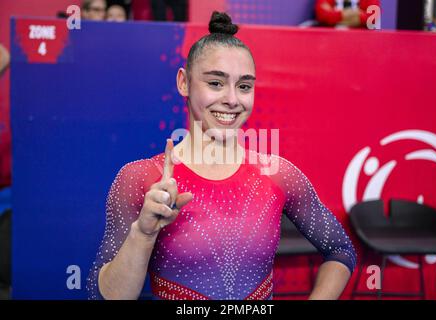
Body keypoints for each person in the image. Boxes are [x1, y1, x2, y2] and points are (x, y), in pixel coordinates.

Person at [87, 11, 357, 300]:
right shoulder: (140, 178)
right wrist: (142, 233)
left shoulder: (278, 174)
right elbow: (100, 295)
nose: (231, 99)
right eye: (215, 83)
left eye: (244, 86)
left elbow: (341, 250)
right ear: (184, 83)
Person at [316, 0, 380, 28]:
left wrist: (335, 15)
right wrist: (357, 13)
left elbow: (372, 18)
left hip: (361, 39)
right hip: (332, 38)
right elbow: (322, 14)